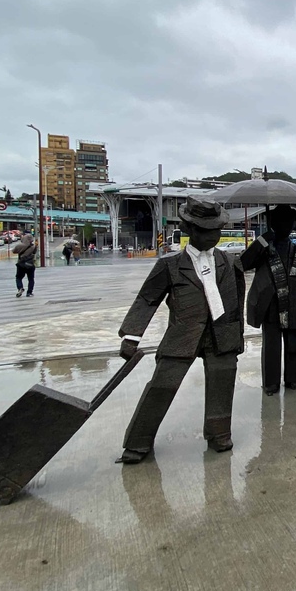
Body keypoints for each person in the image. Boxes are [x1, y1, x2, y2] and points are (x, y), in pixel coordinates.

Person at [115, 195, 246, 463]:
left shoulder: (230, 262)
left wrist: (237, 336)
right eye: (206, 230)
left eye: (217, 230)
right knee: (162, 386)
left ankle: (219, 433)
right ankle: (138, 442)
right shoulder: (170, 265)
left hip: (221, 336)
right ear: (189, 230)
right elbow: (146, 300)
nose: (212, 236)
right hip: (182, 335)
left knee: (222, 384)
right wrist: (131, 335)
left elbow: (237, 301)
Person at [239, 205, 296, 395]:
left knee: (294, 344)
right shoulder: (264, 249)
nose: (285, 225)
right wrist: (262, 240)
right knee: (271, 346)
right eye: (280, 221)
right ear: (273, 223)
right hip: (270, 305)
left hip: (295, 304)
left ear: (293, 224)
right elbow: (242, 264)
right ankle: (270, 383)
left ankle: (293, 379)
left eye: (289, 221)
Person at [13, 233, 37, 298]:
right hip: (30, 264)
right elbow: (34, 252)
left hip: (21, 264)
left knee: (18, 277)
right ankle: (29, 292)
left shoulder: (19, 246)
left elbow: (14, 251)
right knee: (31, 279)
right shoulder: (33, 246)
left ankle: (20, 288)